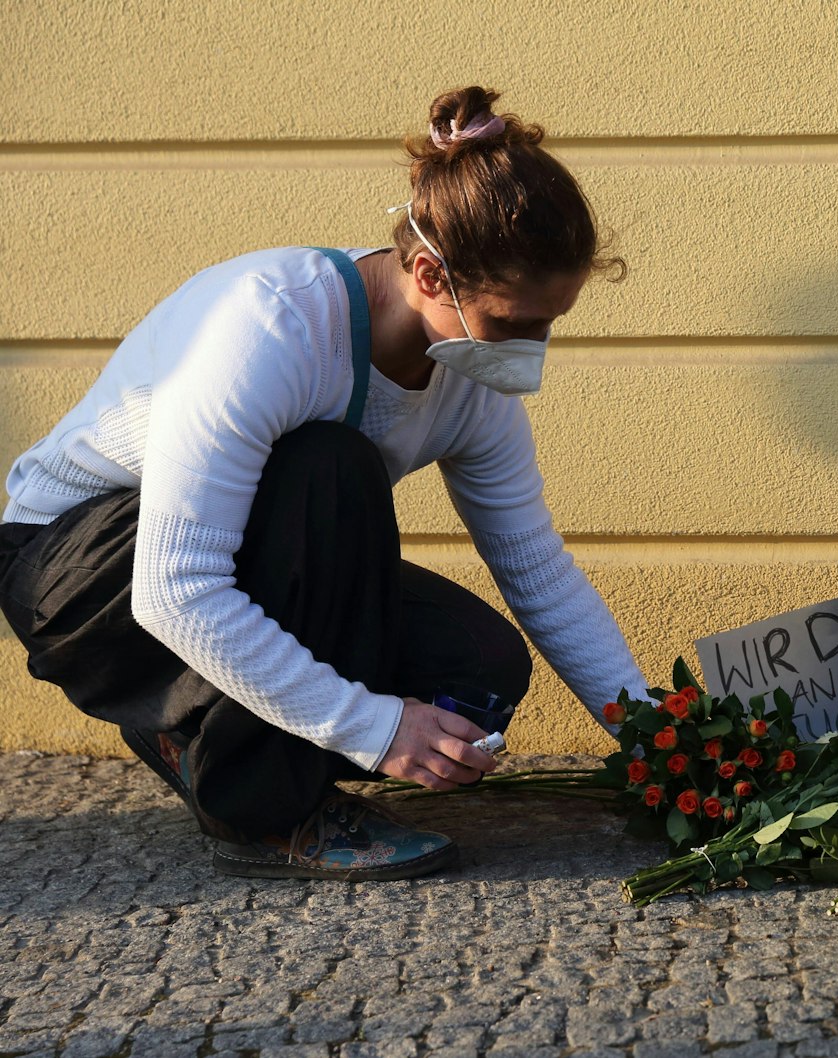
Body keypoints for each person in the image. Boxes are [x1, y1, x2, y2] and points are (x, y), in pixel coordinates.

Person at [0, 87, 648, 881]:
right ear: (427, 274)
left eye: (552, 321)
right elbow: (173, 590)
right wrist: (376, 729)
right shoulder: (274, 325)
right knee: (327, 467)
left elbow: (539, 573)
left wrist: (663, 745)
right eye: (515, 323)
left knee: (475, 668)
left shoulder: (471, 384)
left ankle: (196, 734)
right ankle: (264, 811)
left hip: (198, 568)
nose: (533, 347)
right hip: (76, 574)